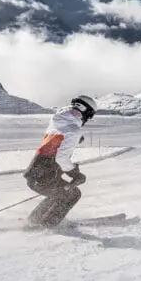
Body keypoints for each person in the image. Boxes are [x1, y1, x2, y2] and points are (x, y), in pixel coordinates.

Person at [23, 95, 98, 227]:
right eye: (90, 116)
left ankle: (34, 221)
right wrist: (75, 173)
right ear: (86, 112)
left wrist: (75, 137)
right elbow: (61, 158)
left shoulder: (58, 119)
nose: (88, 119)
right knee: (72, 194)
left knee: (60, 193)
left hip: (35, 172)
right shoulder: (73, 130)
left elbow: (58, 139)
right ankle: (47, 225)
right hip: (43, 175)